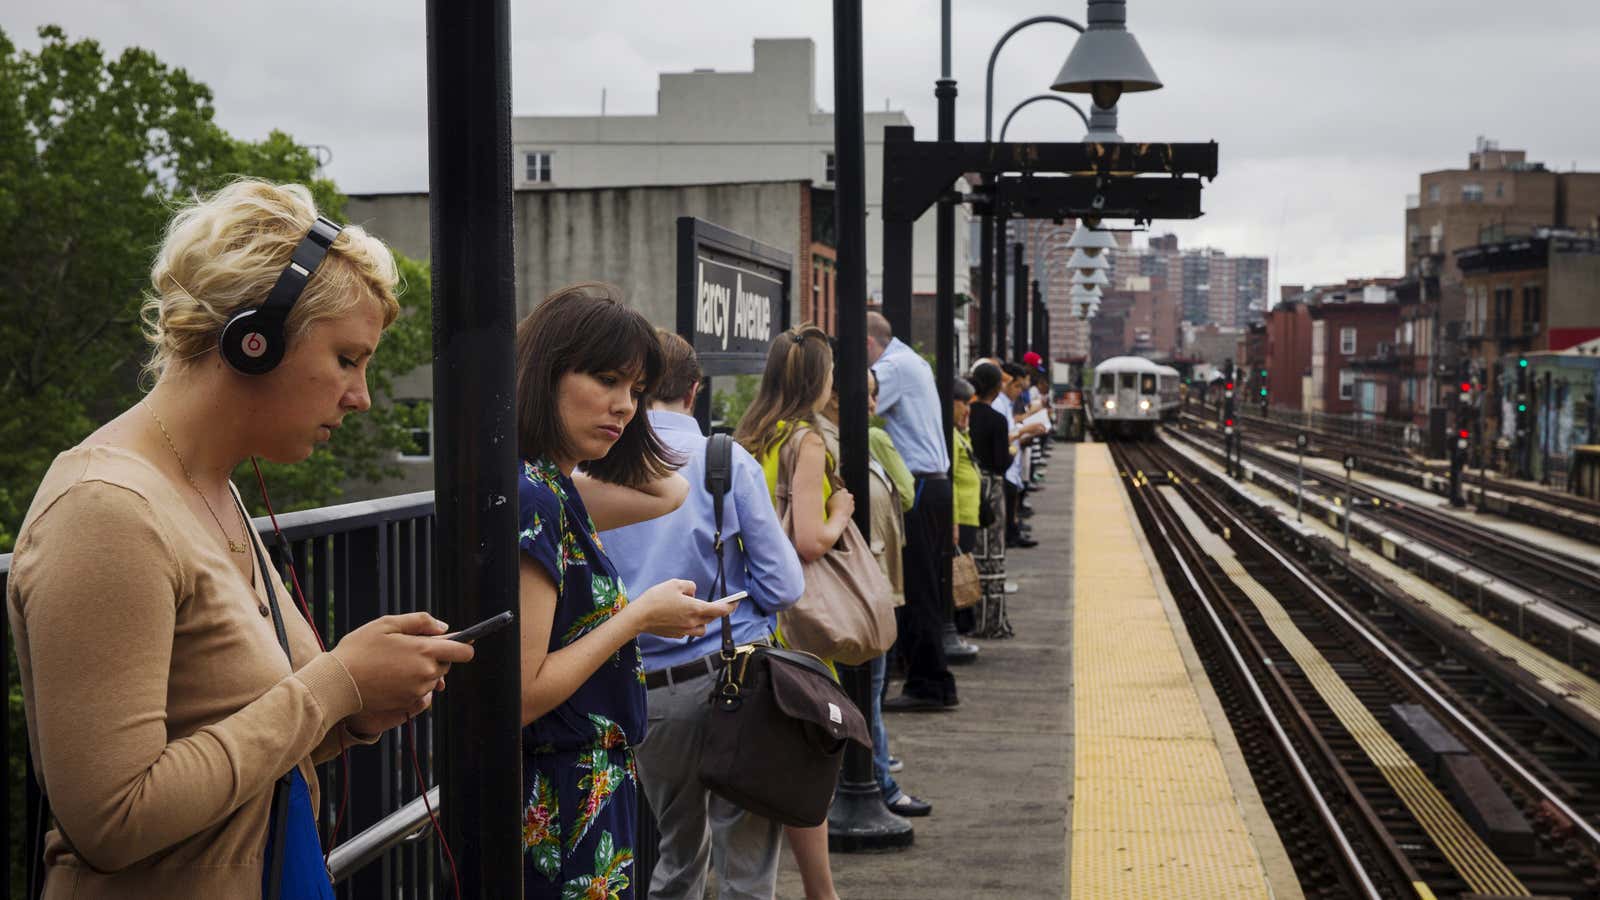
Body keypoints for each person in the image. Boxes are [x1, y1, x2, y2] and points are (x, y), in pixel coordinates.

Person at [6, 180, 477, 899]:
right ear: (252, 342)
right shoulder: (105, 511)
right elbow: (111, 820)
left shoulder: (212, 490)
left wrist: (357, 711)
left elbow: (256, 731)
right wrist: (337, 683)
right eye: (347, 359)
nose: (362, 397)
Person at [514, 284, 738, 900]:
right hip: (561, 802)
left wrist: (625, 433)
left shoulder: (552, 488)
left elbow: (670, 492)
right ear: (546, 373)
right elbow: (523, 692)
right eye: (607, 380)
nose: (624, 406)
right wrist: (637, 617)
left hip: (584, 791)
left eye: (636, 391)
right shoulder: (535, 496)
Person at [599, 330, 805, 900]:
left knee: (676, 851)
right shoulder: (724, 458)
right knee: (747, 863)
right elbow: (784, 583)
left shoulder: (591, 468)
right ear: (694, 390)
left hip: (648, 692)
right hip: (734, 678)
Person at [733, 324, 855, 900]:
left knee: (769, 757)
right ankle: (821, 892)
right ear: (817, 377)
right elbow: (808, 540)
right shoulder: (807, 441)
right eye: (830, 369)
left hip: (748, 612)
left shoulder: (751, 432)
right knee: (809, 754)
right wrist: (841, 513)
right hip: (795, 617)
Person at [818, 371, 931, 819]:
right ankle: (876, 783)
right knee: (867, 695)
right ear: (831, 393)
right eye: (863, 393)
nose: (871, 403)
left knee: (873, 694)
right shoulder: (823, 444)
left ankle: (874, 775)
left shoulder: (852, 439)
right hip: (855, 592)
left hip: (874, 587)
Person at [864, 311, 962, 711]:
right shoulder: (913, 361)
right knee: (928, 587)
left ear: (867, 344)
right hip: (934, 483)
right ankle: (925, 674)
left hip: (918, 486)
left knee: (917, 588)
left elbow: (859, 398)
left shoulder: (893, 367)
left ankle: (929, 683)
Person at [966, 363, 1015, 638]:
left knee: (974, 552)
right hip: (991, 492)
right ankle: (992, 620)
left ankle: (970, 618)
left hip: (971, 488)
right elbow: (1001, 462)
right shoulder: (998, 420)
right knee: (993, 553)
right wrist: (1012, 450)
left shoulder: (965, 414)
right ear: (997, 389)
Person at [950, 376, 982, 629]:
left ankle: (963, 622)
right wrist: (954, 521)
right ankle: (959, 623)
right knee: (959, 571)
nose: (968, 411)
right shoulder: (950, 436)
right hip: (962, 517)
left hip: (970, 514)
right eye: (964, 405)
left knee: (965, 566)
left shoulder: (959, 433)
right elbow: (951, 479)